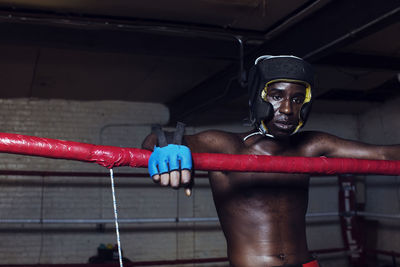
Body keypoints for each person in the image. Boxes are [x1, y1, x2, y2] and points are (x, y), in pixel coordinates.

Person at [142, 55, 400, 267]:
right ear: (259, 98)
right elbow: (155, 140)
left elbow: (383, 155)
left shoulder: (311, 145)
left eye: (297, 99)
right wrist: (167, 152)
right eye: (277, 96)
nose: (287, 109)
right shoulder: (226, 145)